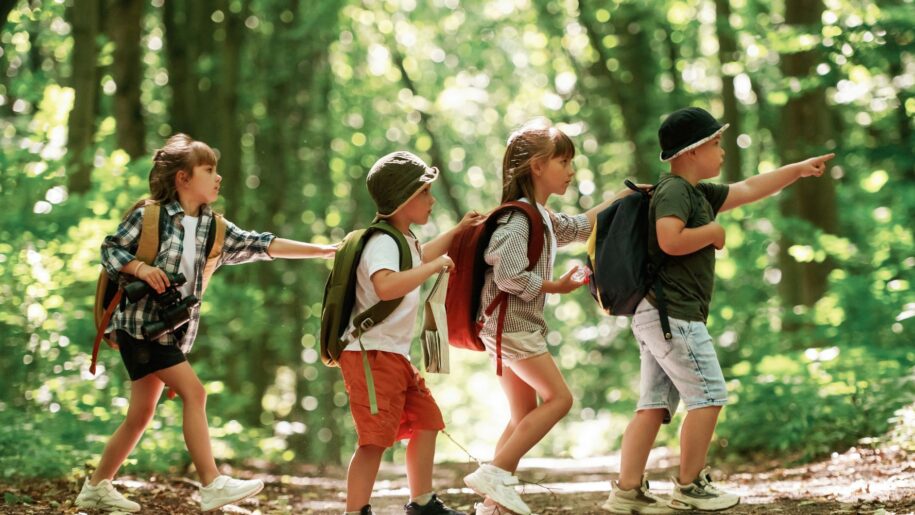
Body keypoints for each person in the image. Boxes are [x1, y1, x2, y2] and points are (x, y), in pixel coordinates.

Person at [76, 133, 337, 512]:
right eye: (209, 169)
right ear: (183, 178)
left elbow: (262, 244)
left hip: (167, 332)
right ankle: (211, 483)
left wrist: (323, 251)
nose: (218, 177)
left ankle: (96, 487)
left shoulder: (213, 227)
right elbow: (110, 248)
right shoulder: (149, 216)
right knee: (195, 394)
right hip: (138, 326)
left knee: (140, 415)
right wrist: (141, 269)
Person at [602, 107, 834, 513]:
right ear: (691, 151)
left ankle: (627, 492)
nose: (722, 151)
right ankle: (690, 486)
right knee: (708, 395)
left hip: (656, 313)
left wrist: (797, 170)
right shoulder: (675, 191)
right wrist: (713, 232)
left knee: (653, 405)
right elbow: (670, 239)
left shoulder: (698, 193)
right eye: (716, 143)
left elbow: (749, 188)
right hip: (673, 314)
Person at [464, 118, 638, 515]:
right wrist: (554, 287)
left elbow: (580, 227)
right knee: (559, 399)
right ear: (537, 166)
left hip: (505, 328)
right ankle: (496, 474)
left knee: (522, 415)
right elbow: (508, 275)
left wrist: (624, 198)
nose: (571, 170)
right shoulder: (518, 219)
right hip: (512, 328)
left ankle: (493, 505)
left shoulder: (540, 216)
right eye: (563, 162)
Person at [340, 151, 484, 515]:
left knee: (427, 420)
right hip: (371, 354)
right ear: (404, 199)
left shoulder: (403, 240)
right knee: (374, 440)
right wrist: (433, 267)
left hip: (393, 355)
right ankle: (356, 510)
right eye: (425, 193)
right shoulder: (383, 242)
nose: (432, 200)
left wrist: (458, 231)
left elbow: (420, 257)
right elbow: (386, 285)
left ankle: (421, 504)